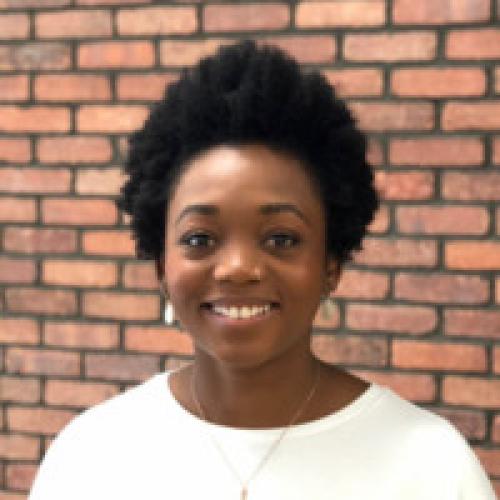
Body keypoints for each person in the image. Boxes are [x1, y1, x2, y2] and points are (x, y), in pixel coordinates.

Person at [28, 40, 495, 500]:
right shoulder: (92, 456)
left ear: (330, 264)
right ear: (161, 267)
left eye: (281, 239)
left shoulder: (431, 466)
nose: (237, 269)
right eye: (200, 239)